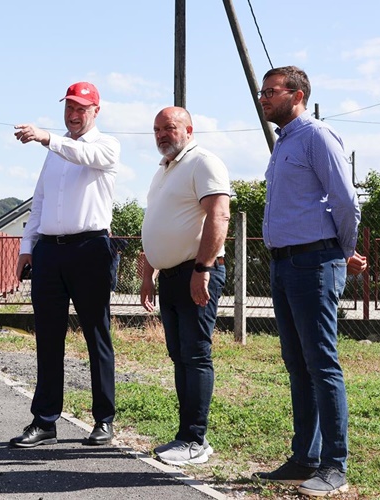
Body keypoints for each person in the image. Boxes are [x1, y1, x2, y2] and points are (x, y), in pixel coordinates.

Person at [251, 66, 367, 497]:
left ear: (296, 94)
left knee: (322, 365)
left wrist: (340, 249)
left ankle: (334, 467)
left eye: (270, 92)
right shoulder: (284, 143)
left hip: (313, 263)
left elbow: (345, 199)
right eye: (262, 92)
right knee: (298, 365)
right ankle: (305, 459)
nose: (262, 98)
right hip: (285, 265)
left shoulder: (317, 135)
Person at [10, 81, 120, 448]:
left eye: (81, 109)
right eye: (69, 108)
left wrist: (46, 139)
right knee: (48, 337)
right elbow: (39, 201)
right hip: (50, 251)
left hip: (90, 248)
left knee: (96, 335)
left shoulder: (106, 146)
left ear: (96, 112)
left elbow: (83, 156)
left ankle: (104, 420)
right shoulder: (55, 151)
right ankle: (44, 422)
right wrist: (28, 246)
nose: (73, 115)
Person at [139, 106, 231, 466]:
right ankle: (188, 437)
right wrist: (148, 274)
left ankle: (194, 440)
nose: (162, 134)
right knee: (180, 356)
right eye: (157, 129)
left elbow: (219, 214)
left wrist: (203, 267)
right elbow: (155, 224)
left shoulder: (203, 162)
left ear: (189, 129)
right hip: (171, 277)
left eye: (170, 127)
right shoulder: (162, 171)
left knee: (195, 355)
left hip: (196, 272)